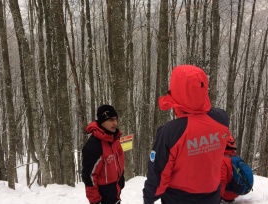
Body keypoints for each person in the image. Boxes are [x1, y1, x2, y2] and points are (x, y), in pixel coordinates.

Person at [143, 64, 230, 204]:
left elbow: (158, 173)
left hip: (179, 198)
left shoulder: (170, 133)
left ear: (177, 90)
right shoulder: (221, 119)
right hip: (212, 196)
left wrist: (149, 198)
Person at [82, 104, 125, 204]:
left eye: (115, 119)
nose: (115, 123)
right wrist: (96, 201)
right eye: (110, 120)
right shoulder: (94, 145)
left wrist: (121, 179)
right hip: (102, 199)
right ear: (102, 122)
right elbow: (88, 176)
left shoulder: (114, 139)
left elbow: (119, 162)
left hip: (115, 195)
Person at [220, 134, 239, 203]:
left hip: (226, 194)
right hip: (236, 191)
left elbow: (222, 180)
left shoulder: (222, 160)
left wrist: (217, 197)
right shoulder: (235, 157)